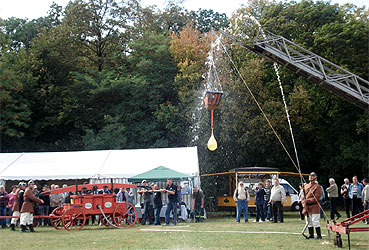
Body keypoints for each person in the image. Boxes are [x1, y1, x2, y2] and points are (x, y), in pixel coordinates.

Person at [302, 172, 323, 239]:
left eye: (312, 176)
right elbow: (303, 196)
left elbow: (316, 198)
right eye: (310, 175)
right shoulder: (306, 186)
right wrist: (303, 203)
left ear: (315, 177)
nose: (310, 177)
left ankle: (319, 235)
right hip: (307, 206)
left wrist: (307, 200)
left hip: (314, 206)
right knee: (308, 221)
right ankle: (311, 234)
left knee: (315, 221)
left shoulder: (318, 186)